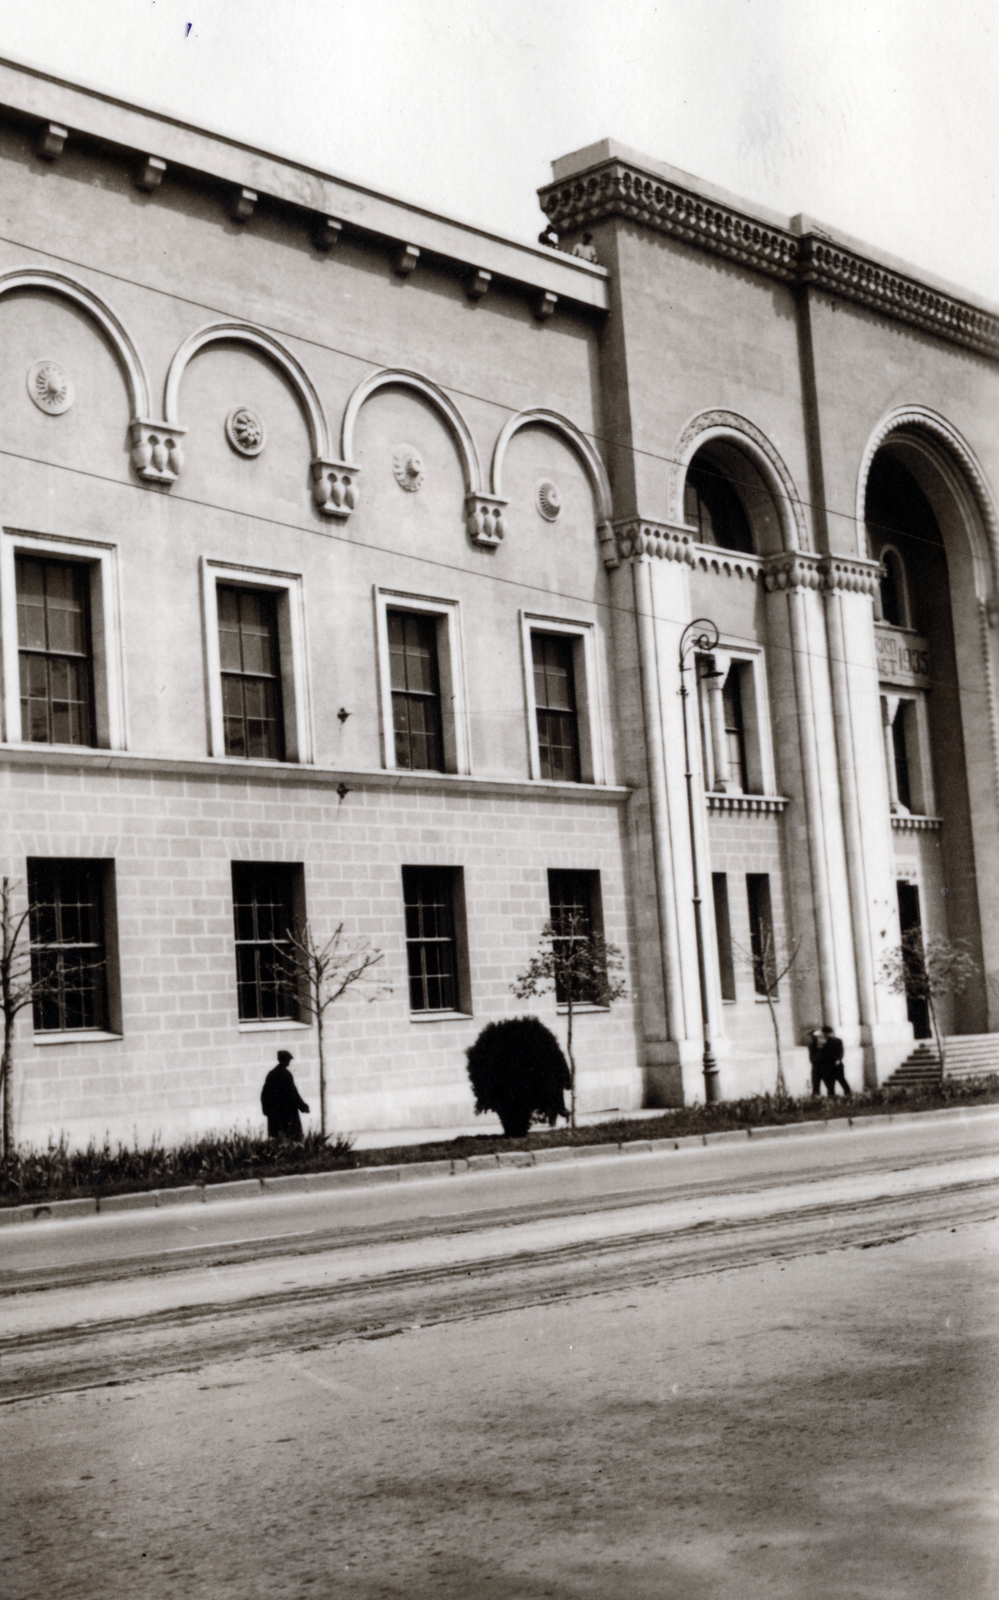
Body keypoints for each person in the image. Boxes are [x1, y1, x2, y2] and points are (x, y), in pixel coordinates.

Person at [260, 1050, 310, 1139]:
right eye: (288, 1060)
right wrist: (303, 1106)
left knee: (278, 1138)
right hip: (287, 1113)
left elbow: (264, 1094)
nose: (289, 1062)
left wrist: (266, 1110)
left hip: (275, 1113)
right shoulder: (286, 1075)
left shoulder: (271, 1074)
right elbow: (293, 1093)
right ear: (284, 1060)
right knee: (291, 1137)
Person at [818, 1025, 851, 1097]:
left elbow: (822, 1054)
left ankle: (835, 1097)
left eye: (824, 1033)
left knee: (833, 1084)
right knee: (839, 1082)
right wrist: (838, 1059)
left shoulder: (825, 1042)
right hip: (835, 1064)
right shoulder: (837, 1041)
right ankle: (848, 1095)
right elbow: (841, 1052)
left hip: (831, 1065)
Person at [807, 1029, 825, 1096]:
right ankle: (816, 1096)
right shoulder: (811, 1046)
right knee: (815, 1084)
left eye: (815, 1036)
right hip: (816, 1067)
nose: (814, 1038)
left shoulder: (824, 1044)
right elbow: (811, 1058)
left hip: (823, 1067)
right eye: (813, 1036)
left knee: (828, 1084)